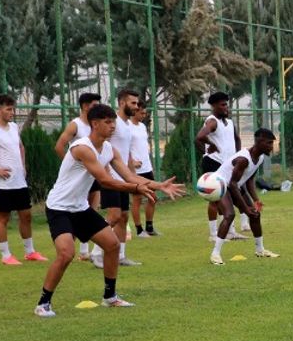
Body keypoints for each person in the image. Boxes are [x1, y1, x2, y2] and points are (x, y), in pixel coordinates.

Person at [34, 104, 185, 317]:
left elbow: (130, 176)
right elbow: (105, 180)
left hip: (80, 208)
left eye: (113, 121)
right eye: (107, 122)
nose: (112, 126)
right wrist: (136, 188)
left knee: (112, 245)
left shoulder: (109, 149)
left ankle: (110, 297)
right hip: (59, 207)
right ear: (94, 124)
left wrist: (158, 185)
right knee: (67, 253)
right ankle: (43, 303)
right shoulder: (82, 148)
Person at [0, 94, 48, 265]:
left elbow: (20, 146)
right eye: (8, 109)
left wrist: (23, 166)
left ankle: (30, 252)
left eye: (13, 109)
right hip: (3, 185)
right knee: (3, 218)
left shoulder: (14, 127)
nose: (12, 112)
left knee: (26, 216)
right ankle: (6, 256)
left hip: (19, 182)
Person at [208, 129, 279, 265]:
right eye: (269, 143)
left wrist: (256, 200)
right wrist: (245, 208)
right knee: (229, 215)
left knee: (255, 214)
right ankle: (215, 254)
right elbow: (232, 184)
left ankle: (260, 249)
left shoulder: (260, 157)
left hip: (234, 186)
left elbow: (249, 179)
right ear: (259, 142)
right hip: (220, 185)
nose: (271, 146)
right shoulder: (243, 159)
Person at [90, 89, 140, 268]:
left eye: (137, 103)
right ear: (121, 103)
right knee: (113, 216)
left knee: (123, 217)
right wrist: (105, 171)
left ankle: (121, 256)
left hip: (123, 180)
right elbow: (103, 146)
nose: (136, 106)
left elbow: (125, 155)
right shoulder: (114, 123)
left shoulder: (127, 126)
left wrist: (133, 177)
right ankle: (96, 253)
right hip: (111, 179)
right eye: (132, 103)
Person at [195, 91, 249, 241]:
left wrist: (238, 156)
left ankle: (230, 232)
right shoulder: (212, 121)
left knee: (228, 198)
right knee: (214, 197)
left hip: (226, 165)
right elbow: (199, 137)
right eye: (222, 104)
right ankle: (213, 234)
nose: (226, 107)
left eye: (227, 104)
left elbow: (237, 139)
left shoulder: (229, 122)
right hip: (213, 163)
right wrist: (209, 147)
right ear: (213, 106)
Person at [54, 92, 102, 260]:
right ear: (85, 106)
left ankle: (84, 250)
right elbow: (59, 146)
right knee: (75, 209)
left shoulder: (96, 125)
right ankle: (70, 248)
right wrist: (72, 166)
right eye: (94, 105)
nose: (97, 108)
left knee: (90, 209)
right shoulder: (75, 125)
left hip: (94, 173)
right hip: (80, 175)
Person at [129, 101, 158, 237]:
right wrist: (132, 162)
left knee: (153, 197)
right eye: (142, 112)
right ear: (134, 111)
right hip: (135, 171)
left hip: (146, 167)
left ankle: (150, 227)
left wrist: (149, 165)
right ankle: (139, 230)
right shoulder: (127, 127)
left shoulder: (142, 126)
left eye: (145, 113)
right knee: (137, 199)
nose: (144, 115)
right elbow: (124, 147)